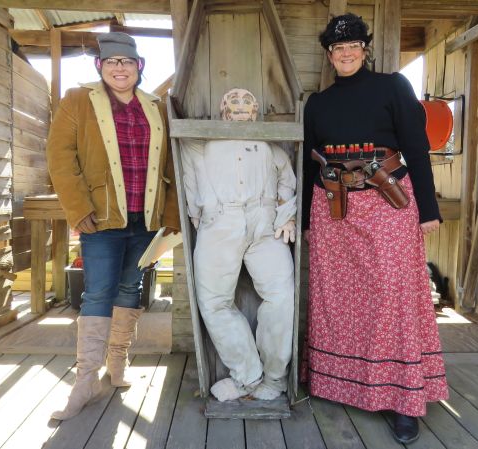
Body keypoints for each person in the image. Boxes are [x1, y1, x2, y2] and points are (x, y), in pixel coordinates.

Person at [302, 14, 448, 444]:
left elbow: (417, 148)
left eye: (353, 46)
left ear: (364, 49)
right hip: (333, 208)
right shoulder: (317, 104)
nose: (346, 54)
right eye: (338, 48)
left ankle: (403, 397)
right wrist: (307, 220)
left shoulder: (393, 87)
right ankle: (340, 382)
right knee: (338, 294)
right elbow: (306, 163)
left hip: (389, 202)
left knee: (392, 296)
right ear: (329, 55)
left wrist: (428, 209)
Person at [46, 32, 179, 420]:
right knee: (98, 293)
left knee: (129, 287)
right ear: (100, 66)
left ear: (139, 67)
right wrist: (77, 207)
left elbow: (173, 165)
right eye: (112, 62)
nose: (120, 68)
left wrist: (171, 215)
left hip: (146, 217)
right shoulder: (78, 100)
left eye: (127, 62)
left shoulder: (156, 107)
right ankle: (85, 380)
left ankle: (117, 364)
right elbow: (60, 156)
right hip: (101, 217)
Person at [181, 88, 296, 401]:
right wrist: (197, 213)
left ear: (256, 110)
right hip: (220, 220)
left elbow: (287, 179)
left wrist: (286, 215)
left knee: (281, 296)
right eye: (234, 100)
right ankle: (248, 375)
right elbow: (189, 175)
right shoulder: (201, 143)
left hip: (266, 222)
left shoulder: (270, 145)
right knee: (213, 301)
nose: (242, 105)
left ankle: (274, 378)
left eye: (248, 101)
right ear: (223, 108)